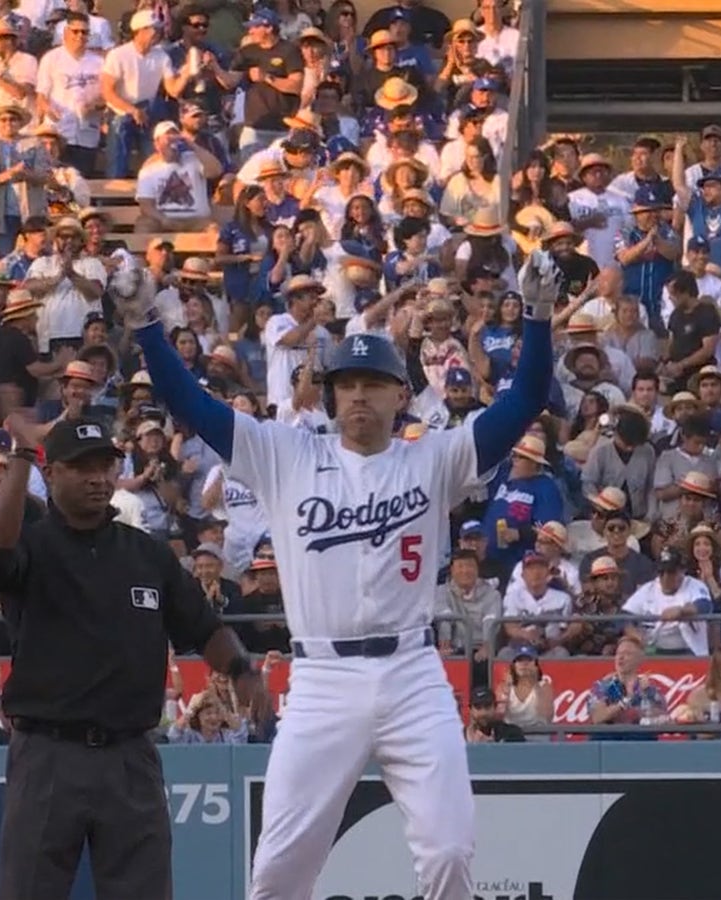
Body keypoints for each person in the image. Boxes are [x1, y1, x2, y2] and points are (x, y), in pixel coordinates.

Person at [127, 252, 556, 900]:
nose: (359, 393)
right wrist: (145, 328)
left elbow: (523, 401)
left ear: (400, 394)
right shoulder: (284, 452)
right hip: (323, 679)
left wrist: (540, 318)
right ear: (329, 395)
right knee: (276, 872)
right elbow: (189, 401)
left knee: (447, 855)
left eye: (372, 382)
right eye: (347, 383)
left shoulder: (432, 459)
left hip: (413, 672)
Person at [0, 417, 257, 900]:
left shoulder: (148, 554)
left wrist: (240, 669)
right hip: (48, 753)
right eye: (82, 467)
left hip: (131, 756)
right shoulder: (32, 545)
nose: (98, 478)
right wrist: (22, 456)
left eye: (106, 465)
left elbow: (202, 628)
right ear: (54, 472)